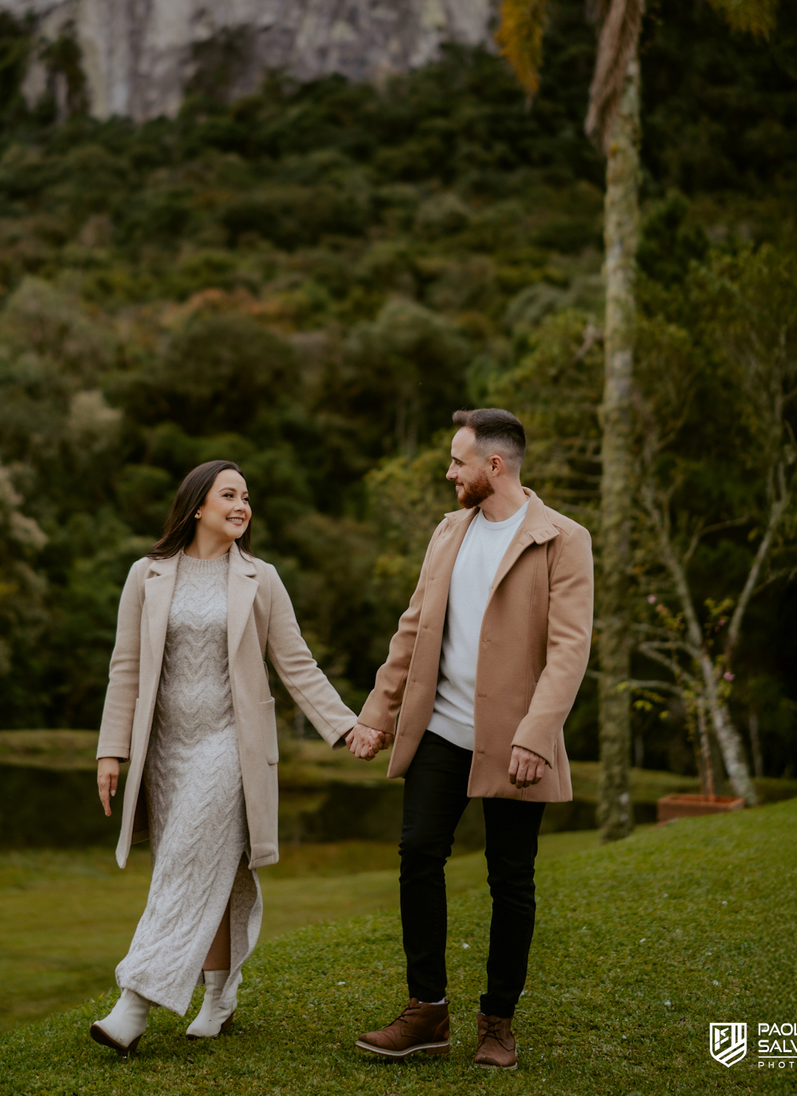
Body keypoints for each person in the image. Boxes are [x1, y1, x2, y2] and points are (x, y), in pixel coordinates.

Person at [347, 408, 593, 1069]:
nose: (448, 472)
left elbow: (569, 652)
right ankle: (426, 1011)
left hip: (518, 744)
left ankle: (498, 1024)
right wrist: (377, 713)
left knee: (511, 880)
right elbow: (413, 626)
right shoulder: (448, 531)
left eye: (457, 462)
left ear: (494, 465)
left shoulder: (563, 539)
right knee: (418, 853)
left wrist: (537, 735)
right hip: (441, 732)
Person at [90, 459, 360, 1057]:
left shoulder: (260, 579)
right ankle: (219, 996)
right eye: (229, 494)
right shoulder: (147, 574)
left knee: (182, 866)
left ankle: (132, 1006)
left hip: (228, 748)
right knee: (209, 871)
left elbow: (297, 665)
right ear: (197, 505)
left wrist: (346, 729)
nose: (242, 505)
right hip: (164, 753)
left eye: (247, 497)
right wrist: (112, 751)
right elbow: (126, 668)